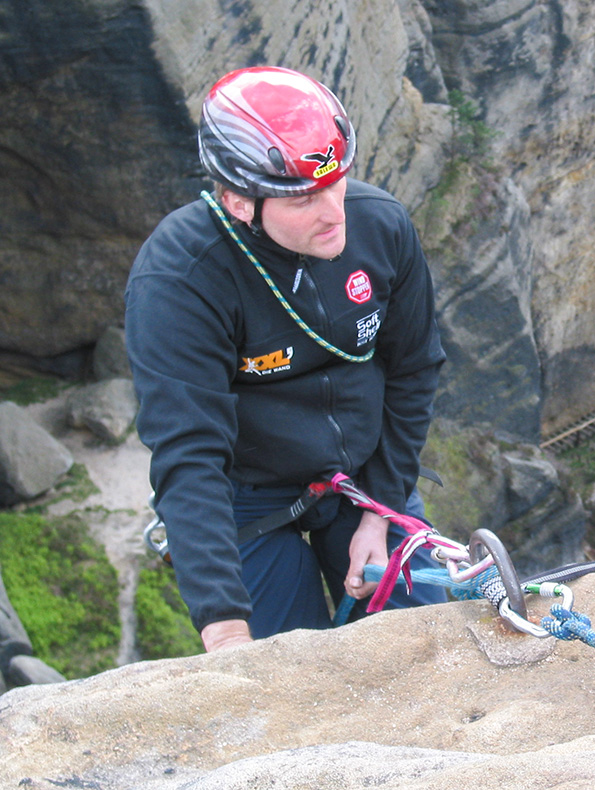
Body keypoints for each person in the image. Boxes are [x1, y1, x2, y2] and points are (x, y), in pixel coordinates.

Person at [125, 66, 448, 652]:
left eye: (337, 182)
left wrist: (382, 510)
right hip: (243, 492)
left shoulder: (380, 228)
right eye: (303, 198)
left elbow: (413, 368)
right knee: (288, 667)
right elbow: (188, 450)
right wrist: (224, 624)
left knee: (420, 650)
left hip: (362, 474)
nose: (335, 214)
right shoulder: (180, 279)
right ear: (238, 201)